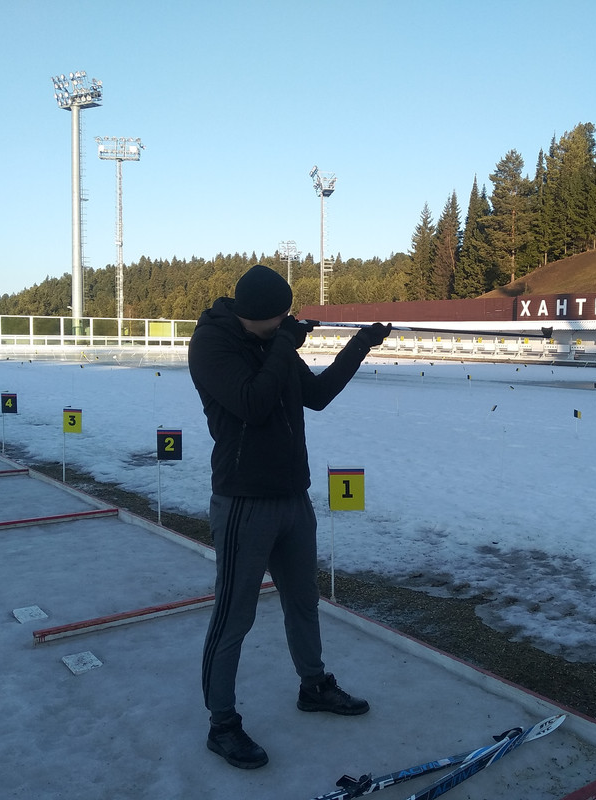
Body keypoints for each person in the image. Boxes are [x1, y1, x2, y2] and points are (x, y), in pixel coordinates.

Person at [188, 264, 392, 769]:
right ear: (251, 315)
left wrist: (359, 346)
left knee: (304, 601)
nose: (285, 325)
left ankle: (314, 684)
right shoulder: (212, 346)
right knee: (234, 617)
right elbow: (254, 404)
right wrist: (285, 343)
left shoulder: (270, 341)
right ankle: (222, 723)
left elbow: (316, 397)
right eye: (277, 319)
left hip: (292, 499)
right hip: (243, 503)